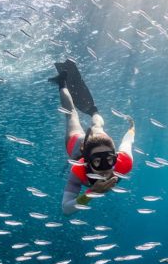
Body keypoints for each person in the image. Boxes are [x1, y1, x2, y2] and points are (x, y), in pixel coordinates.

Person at [49, 59, 135, 216]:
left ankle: (94, 112)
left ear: (116, 157)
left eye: (109, 159)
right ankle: (61, 83)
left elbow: (127, 142)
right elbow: (66, 209)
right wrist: (89, 193)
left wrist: (131, 129)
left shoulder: (124, 163)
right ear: (87, 162)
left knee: (97, 127)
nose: (105, 167)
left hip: (98, 138)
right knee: (71, 114)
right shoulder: (78, 169)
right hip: (77, 143)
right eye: (97, 161)